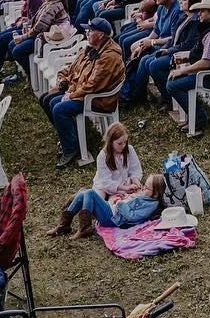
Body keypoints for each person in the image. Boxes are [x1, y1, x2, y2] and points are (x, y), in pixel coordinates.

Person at [39, 18, 125, 168]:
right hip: (81, 91)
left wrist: (71, 95)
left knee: (58, 107)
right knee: (45, 99)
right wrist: (62, 79)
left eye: (91, 31)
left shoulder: (108, 56)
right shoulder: (91, 48)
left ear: (101, 35)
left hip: (97, 99)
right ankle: (70, 137)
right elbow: (71, 68)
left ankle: (71, 149)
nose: (87, 32)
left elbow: (94, 85)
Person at [48, 121, 143, 237]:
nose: (123, 145)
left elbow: (135, 169)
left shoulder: (129, 150)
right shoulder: (103, 156)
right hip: (104, 184)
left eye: (125, 142)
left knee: (87, 197)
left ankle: (68, 223)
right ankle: (67, 225)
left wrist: (136, 181)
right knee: (92, 200)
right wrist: (125, 187)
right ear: (110, 142)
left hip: (122, 185)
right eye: (119, 143)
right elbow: (106, 181)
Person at [165, 0, 210, 133]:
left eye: (202, 11)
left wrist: (182, 71)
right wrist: (187, 57)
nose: (199, 14)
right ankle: (193, 117)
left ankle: (199, 119)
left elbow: (205, 63)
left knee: (173, 85)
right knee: (175, 79)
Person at [51, 171, 164, 241]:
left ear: (156, 193)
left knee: (90, 193)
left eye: (147, 188)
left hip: (113, 219)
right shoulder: (146, 196)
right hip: (113, 210)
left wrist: (120, 204)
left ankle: (85, 227)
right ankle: (64, 225)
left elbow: (133, 216)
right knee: (83, 194)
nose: (143, 188)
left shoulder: (151, 205)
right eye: (144, 185)